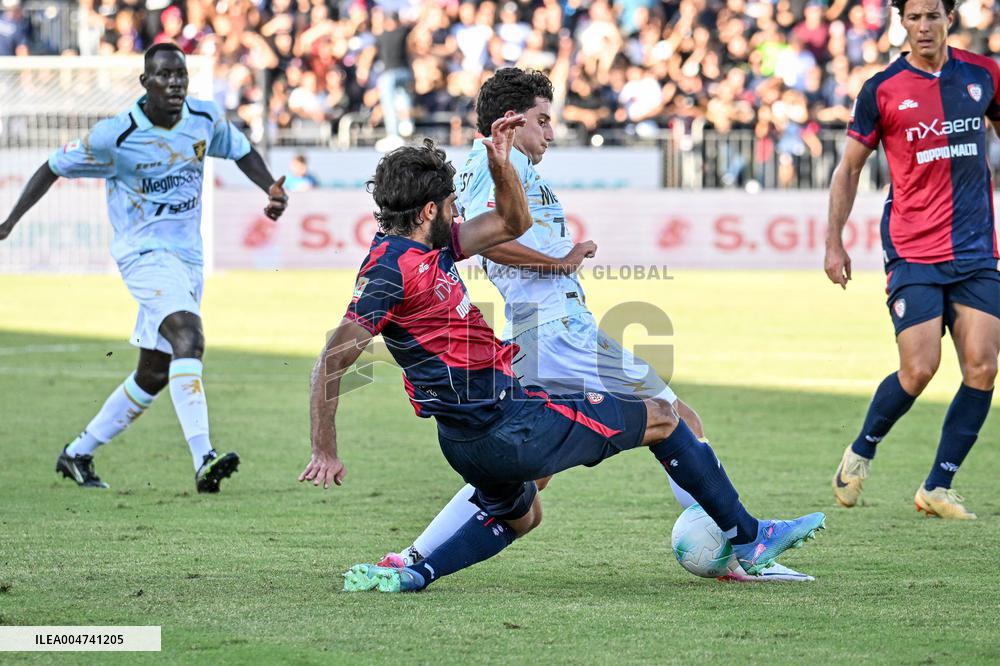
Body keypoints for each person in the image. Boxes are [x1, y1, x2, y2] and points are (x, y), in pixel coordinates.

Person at [298, 121, 825, 594]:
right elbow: (332, 358)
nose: (459, 213)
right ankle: (750, 538)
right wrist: (325, 449)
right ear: (430, 210)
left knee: (524, 516)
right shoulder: (394, 269)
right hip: (508, 424)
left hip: (465, 443)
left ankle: (417, 572)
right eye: (453, 205)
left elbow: (508, 224)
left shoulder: (427, 247)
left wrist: (503, 168)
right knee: (663, 417)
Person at [0, 43, 289, 492]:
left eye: (181, 75)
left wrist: (269, 186)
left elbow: (241, 149)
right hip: (142, 254)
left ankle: (77, 453)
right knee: (188, 338)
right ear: (145, 82)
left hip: (187, 258)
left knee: (154, 371)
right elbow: (52, 166)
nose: (175, 83)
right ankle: (204, 458)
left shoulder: (204, 119)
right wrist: (9, 222)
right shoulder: (115, 137)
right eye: (165, 76)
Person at [825, 0, 1000, 519]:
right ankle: (860, 451)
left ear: (950, 17)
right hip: (913, 249)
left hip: (975, 250)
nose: (924, 26)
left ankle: (937, 486)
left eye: (933, 15)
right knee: (920, 368)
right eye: (915, 16)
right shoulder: (882, 89)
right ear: (903, 22)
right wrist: (834, 241)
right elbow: (850, 169)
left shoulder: (984, 75)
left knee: (983, 366)